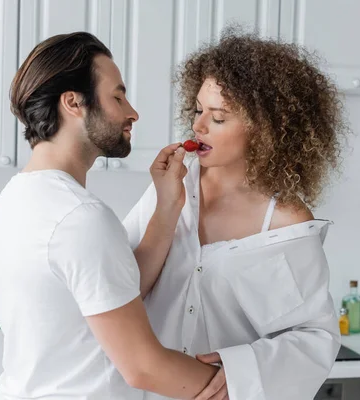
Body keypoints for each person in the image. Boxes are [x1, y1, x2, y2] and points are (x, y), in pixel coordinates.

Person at [0, 31, 221, 400]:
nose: (132, 112)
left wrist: (168, 205)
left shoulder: (18, 197)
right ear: (73, 103)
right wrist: (239, 381)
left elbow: (116, 292)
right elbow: (144, 366)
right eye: (117, 96)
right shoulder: (79, 217)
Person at [124, 30, 347, 400]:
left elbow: (315, 338)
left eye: (219, 117)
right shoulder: (171, 187)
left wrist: (243, 368)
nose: (197, 127)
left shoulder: (285, 222)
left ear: (265, 131)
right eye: (198, 111)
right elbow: (121, 289)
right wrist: (166, 206)